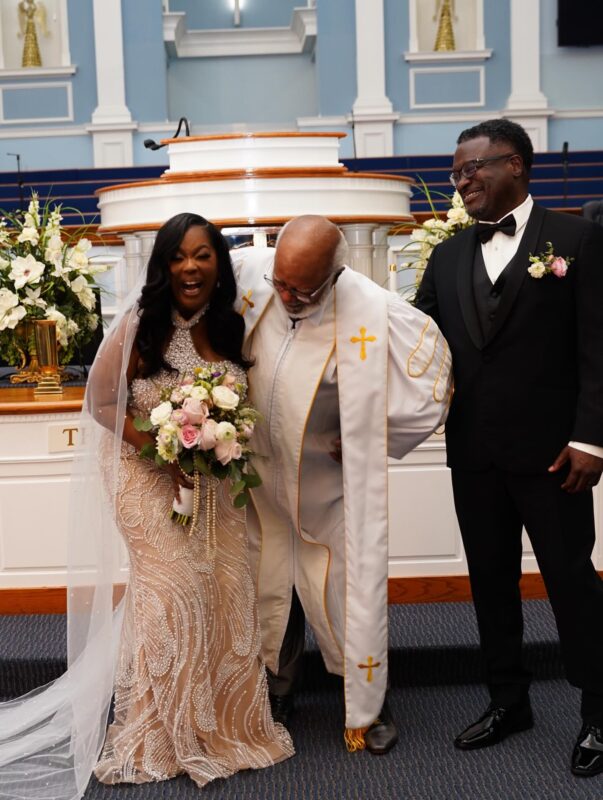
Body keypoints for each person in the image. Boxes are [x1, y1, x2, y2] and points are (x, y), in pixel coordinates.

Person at [0, 213, 293, 800]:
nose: (190, 267)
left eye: (203, 255)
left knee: (221, 585)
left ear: (219, 264)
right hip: (141, 472)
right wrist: (163, 454)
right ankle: (157, 733)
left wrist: (217, 440)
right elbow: (101, 403)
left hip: (211, 479)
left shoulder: (231, 326)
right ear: (163, 266)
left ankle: (220, 724)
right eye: (178, 256)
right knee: (173, 587)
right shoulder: (142, 324)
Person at [415, 118, 603, 777]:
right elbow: (416, 342)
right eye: (456, 173)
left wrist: (590, 438)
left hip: (555, 455)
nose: (462, 181)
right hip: (473, 453)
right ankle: (507, 700)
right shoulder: (446, 256)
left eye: (472, 168)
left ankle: (598, 710)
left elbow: (597, 347)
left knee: (571, 582)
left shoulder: (576, 240)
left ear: (516, 165)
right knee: (489, 582)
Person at [231, 216, 452, 755]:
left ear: (335, 274)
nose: (287, 297)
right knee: (267, 583)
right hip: (259, 480)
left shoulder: (376, 310)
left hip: (328, 490)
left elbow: (435, 383)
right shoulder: (249, 272)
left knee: (344, 593)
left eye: (302, 290)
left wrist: (371, 434)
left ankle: (368, 704)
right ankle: (276, 691)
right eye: (281, 283)